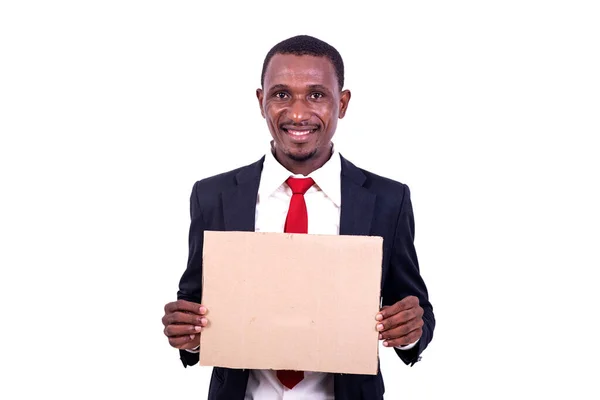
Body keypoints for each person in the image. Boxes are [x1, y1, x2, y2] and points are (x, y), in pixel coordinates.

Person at [161, 35, 435, 400]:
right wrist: (189, 336)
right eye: (281, 94)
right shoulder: (214, 196)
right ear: (261, 101)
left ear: (343, 103)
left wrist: (411, 330)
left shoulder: (388, 199)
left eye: (317, 95)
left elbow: (415, 309)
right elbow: (195, 304)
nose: (298, 113)